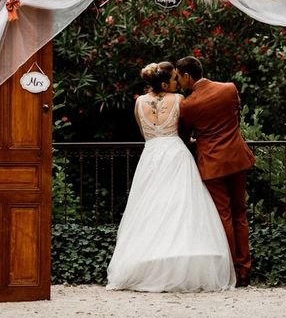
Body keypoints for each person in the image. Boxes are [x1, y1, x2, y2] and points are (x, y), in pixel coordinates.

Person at [106, 61, 235, 292]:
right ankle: (181, 260)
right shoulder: (178, 100)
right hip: (176, 154)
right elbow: (185, 129)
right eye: (175, 79)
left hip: (151, 156)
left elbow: (144, 132)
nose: (179, 83)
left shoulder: (138, 103)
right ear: (165, 83)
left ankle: (147, 262)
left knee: (150, 208)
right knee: (181, 207)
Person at [176, 56, 256, 287]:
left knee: (224, 216)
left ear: (187, 76)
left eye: (180, 77)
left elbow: (184, 136)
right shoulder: (229, 89)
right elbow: (236, 118)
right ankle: (245, 271)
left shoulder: (188, 104)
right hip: (237, 158)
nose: (179, 82)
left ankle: (230, 269)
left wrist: (197, 139)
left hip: (212, 163)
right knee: (240, 214)